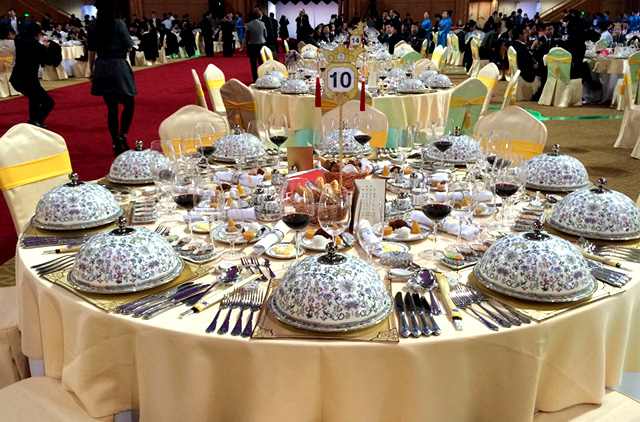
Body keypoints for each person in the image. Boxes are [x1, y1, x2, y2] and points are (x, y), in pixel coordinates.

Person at [88, 0, 137, 155]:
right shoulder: (118, 24)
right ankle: (123, 135)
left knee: (112, 108)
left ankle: (115, 141)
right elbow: (129, 46)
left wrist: (91, 70)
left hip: (102, 66)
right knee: (129, 102)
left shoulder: (93, 26)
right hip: (118, 66)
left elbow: (91, 50)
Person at [10, 22, 54, 127]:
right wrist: (46, 48)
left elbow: (21, 35)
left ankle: (34, 120)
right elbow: (49, 61)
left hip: (17, 78)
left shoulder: (19, 41)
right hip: (29, 80)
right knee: (48, 102)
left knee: (34, 98)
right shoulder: (38, 47)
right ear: (38, 34)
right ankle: (36, 121)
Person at [244, 11, 266, 82]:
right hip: (261, 43)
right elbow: (265, 34)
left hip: (252, 45)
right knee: (261, 62)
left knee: (253, 63)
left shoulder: (248, 25)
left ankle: (255, 79)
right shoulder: (262, 24)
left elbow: (246, 36)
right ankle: (262, 77)